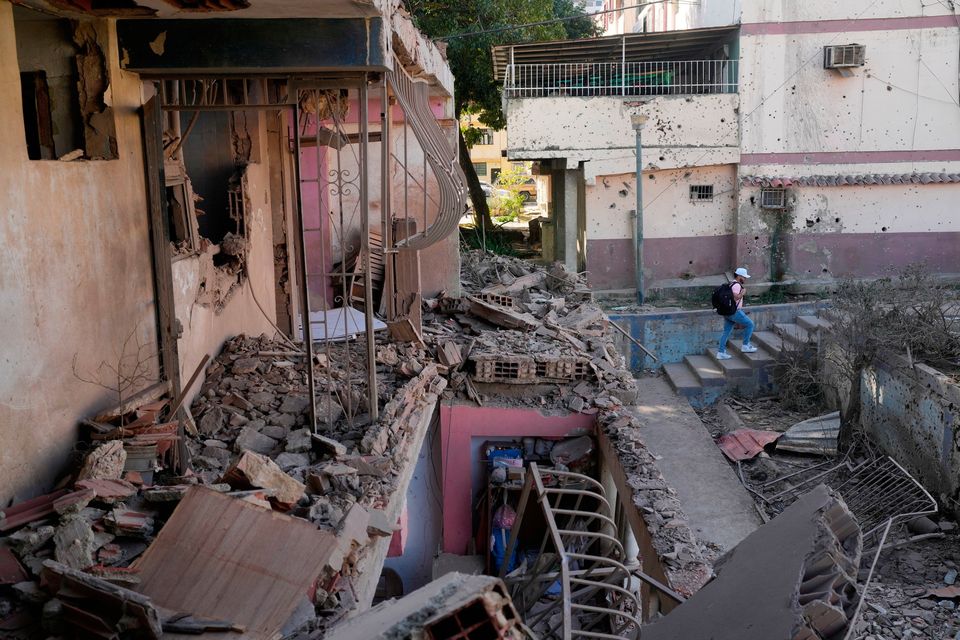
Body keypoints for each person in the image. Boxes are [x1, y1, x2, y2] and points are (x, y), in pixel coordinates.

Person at [716, 267, 756, 359]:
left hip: (728, 312)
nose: (745, 279)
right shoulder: (736, 285)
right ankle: (745, 346)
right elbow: (735, 298)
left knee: (726, 332)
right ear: (739, 276)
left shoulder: (731, 284)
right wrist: (743, 293)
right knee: (750, 324)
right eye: (744, 277)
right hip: (734, 312)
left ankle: (720, 352)